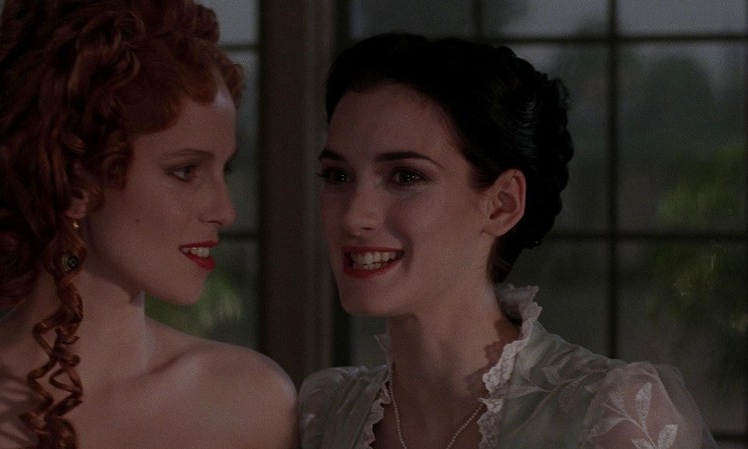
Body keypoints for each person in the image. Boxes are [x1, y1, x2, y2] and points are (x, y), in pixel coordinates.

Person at [299, 33, 717, 449]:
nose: (353, 216)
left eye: (405, 176)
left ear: (502, 204)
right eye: (338, 176)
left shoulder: (615, 415)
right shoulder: (325, 414)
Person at [0, 1, 296, 448]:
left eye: (223, 170)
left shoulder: (250, 400)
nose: (225, 211)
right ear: (76, 184)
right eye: (186, 171)